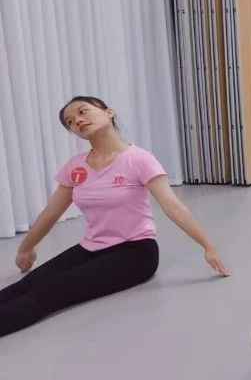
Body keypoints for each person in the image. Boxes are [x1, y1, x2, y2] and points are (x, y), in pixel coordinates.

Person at [2, 96, 228, 337]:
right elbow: (51, 212)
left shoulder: (139, 159)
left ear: (108, 111)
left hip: (136, 252)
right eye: (70, 121)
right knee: (31, 282)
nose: (77, 121)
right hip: (90, 247)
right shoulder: (75, 167)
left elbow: (174, 207)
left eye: (83, 111)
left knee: (53, 288)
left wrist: (208, 246)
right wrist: (26, 248)